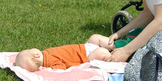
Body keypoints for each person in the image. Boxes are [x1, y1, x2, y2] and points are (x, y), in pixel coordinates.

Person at [15, 29, 143, 72]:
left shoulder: (46, 56)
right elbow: (61, 68)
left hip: (86, 48)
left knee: (96, 44)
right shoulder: (49, 59)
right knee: (98, 46)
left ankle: (115, 45)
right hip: (87, 53)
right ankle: (114, 49)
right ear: (36, 54)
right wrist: (49, 69)